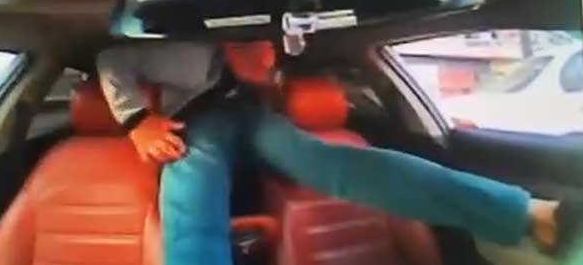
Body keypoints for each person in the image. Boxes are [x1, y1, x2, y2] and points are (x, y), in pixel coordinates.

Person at [97, 40, 572, 265]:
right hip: (196, 122)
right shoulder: (181, 53)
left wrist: (269, 80)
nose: (268, 56)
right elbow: (111, 59)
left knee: (333, 161)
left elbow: (269, 81)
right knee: (189, 171)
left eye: (272, 51)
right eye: (254, 46)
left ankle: (526, 212)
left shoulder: (278, 54)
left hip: (257, 119)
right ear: (227, 36)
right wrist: (137, 121)